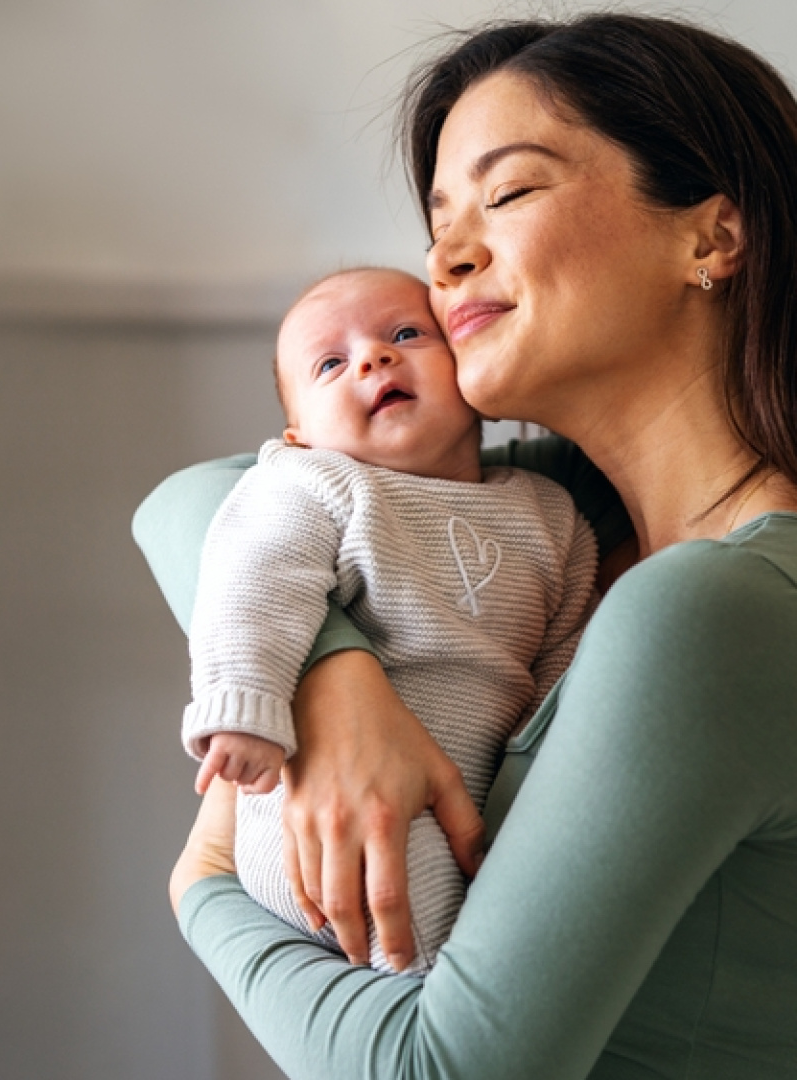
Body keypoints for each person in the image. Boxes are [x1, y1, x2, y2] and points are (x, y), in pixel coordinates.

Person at [142, 13, 797, 1079]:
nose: (448, 260)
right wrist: (337, 680)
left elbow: (438, 1071)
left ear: (711, 237)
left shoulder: (719, 606)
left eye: (506, 194)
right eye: (438, 224)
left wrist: (208, 882)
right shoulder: (587, 526)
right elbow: (190, 504)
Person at [177, 266, 595, 976]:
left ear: (471, 379)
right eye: (331, 363)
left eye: (405, 334)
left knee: (499, 914)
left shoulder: (551, 514)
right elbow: (255, 578)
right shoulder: (315, 483)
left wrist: (544, 780)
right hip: (322, 817)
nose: (373, 359)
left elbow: (565, 658)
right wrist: (242, 707)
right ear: (298, 434)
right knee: (425, 918)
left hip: (467, 797)